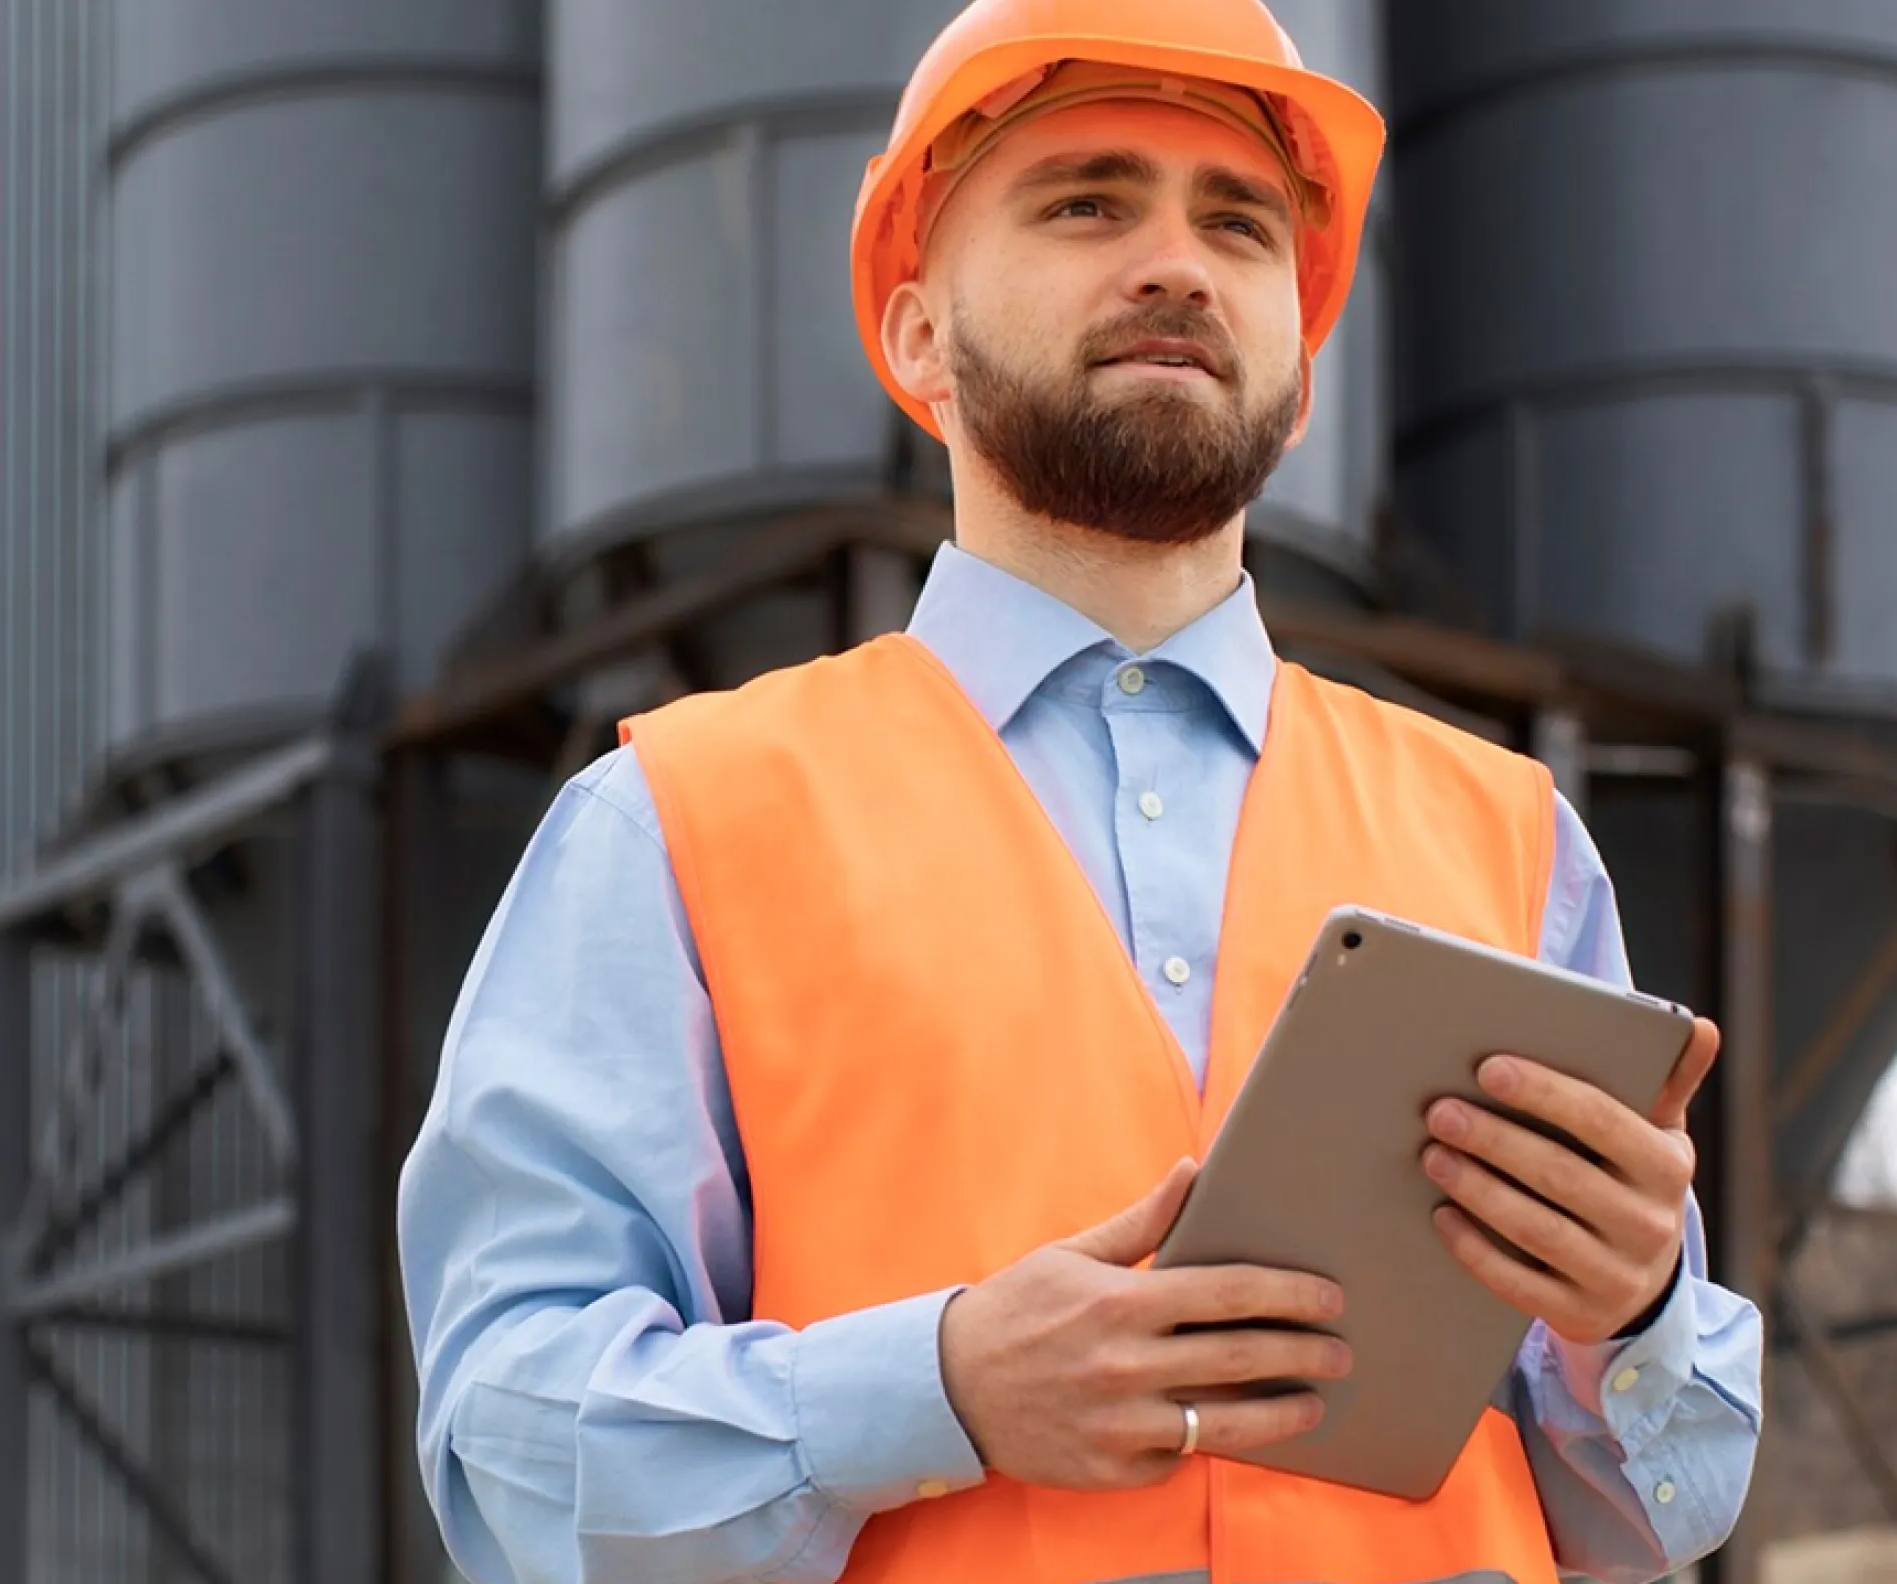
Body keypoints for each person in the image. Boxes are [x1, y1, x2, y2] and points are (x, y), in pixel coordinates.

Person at [397, 2, 1763, 1580]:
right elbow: (510, 1448)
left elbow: (1652, 1511)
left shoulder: (1512, 840)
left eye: (1237, 224)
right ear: (918, 339)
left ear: (1302, 378)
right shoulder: (678, 824)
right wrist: (939, 1386)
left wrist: (1637, 1312)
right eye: (1087, 203)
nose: (1176, 262)